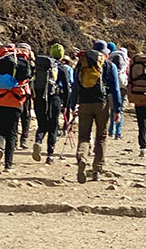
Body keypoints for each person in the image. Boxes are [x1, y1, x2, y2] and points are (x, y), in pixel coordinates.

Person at [70, 39, 122, 183]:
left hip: (84, 103)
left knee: (84, 137)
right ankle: (96, 171)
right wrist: (117, 109)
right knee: (101, 137)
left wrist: (72, 104)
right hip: (101, 104)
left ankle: (82, 158)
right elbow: (115, 89)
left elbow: (75, 86)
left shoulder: (81, 63)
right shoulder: (108, 65)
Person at [0, 44, 33, 171]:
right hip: (16, 102)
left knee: (0, 130)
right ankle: (8, 164)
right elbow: (28, 80)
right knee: (12, 133)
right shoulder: (22, 63)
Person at [32, 43, 70, 165]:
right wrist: (66, 105)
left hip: (39, 97)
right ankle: (50, 155)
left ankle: (38, 141)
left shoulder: (40, 66)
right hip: (54, 99)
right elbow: (67, 88)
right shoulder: (60, 67)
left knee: (42, 124)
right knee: (53, 127)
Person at [16, 42, 35, 149]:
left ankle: (12, 141)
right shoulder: (30, 62)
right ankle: (23, 140)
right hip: (25, 92)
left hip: (11, 91)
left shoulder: (11, 59)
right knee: (26, 116)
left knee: (13, 116)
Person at [108, 47, 129, 139]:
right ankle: (118, 133)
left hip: (112, 86)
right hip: (123, 86)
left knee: (113, 110)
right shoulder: (127, 62)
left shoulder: (110, 60)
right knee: (120, 110)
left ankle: (111, 131)